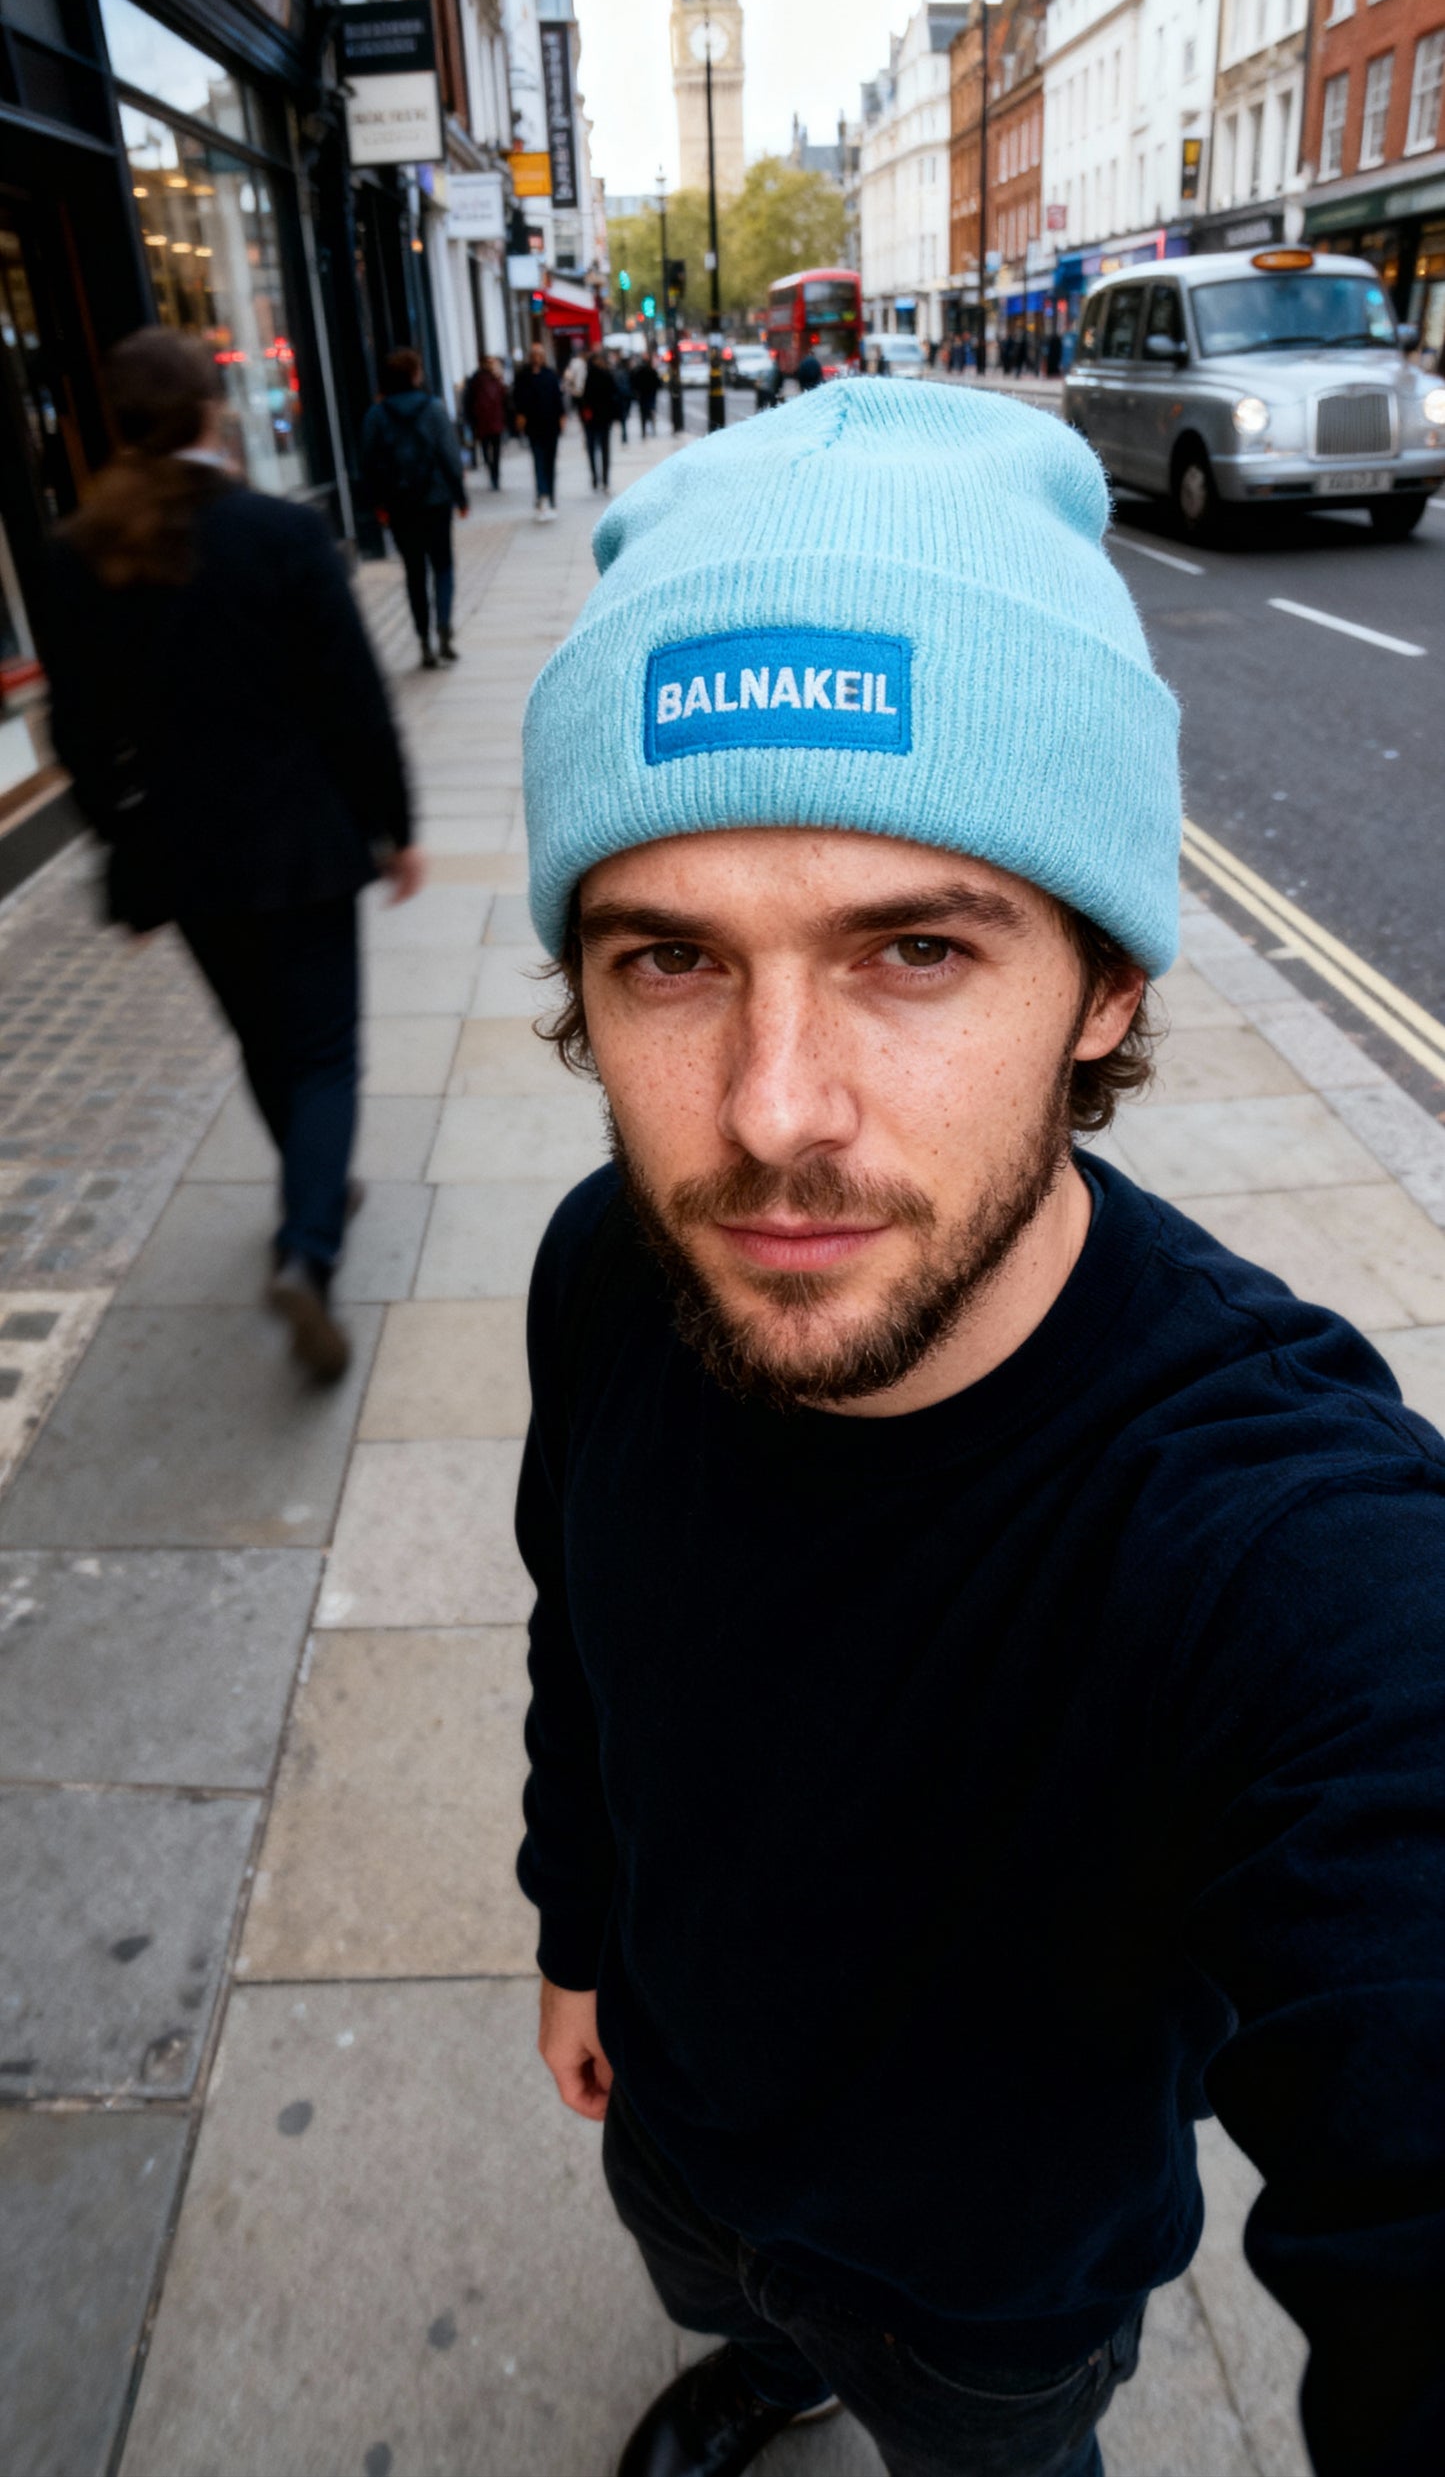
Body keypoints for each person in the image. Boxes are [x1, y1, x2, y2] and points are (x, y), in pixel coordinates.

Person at [515, 382, 1445, 2477]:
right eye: (668, 957)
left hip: (990, 2288)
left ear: (1101, 984)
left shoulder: (1274, 1534)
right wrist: (574, 1934)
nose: (770, 1115)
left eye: (911, 950)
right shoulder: (606, 1261)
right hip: (674, 2130)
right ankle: (765, 2357)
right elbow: (571, 1634)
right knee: (718, 2278)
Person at [45, 327, 421, 1382]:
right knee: (325, 1051)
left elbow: (77, 734)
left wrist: (124, 839)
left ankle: (311, 1186)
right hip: (301, 841)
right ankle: (308, 1246)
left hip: (183, 853)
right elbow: (352, 696)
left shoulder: (76, 553)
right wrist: (394, 825)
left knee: (262, 1038)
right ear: (214, 410)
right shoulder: (277, 533)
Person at [359, 348, 468, 669]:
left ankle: (423, 640)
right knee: (443, 566)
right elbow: (450, 456)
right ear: (414, 374)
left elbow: (367, 463)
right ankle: (443, 624)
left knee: (414, 572)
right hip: (435, 501)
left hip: (399, 505)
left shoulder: (376, 416)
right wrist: (460, 497)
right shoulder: (433, 409)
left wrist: (378, 505)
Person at [513, 340, 566, 522]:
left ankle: (550, 496)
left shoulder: (550, 375)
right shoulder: (523, 376)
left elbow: (558, 399)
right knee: (538, 461)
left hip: (550, 426)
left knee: (550, 463)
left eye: (539, 354)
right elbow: (518, 399)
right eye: (533, 354)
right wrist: (520, 417)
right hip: (534, 427)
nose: (536, 357)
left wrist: (562, 418)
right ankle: (542, 495)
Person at [465, 354, 508, 491]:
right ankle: (492, 473)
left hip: (494, 420)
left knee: (495, 450)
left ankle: (495, 476)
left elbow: (504, 399)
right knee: (486, 449)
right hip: (483, 421)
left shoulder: (496, 378)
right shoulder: (476, 379)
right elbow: (469, 401)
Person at [581, 347, 618, 492]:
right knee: (604, 448)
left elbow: (584, 399)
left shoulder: (590, 376)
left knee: (593, 449)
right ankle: (605, 479)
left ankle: (596, 478)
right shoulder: (606, 375)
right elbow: (614, 395)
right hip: (603, 418)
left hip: (593, 419)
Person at [632, 351, 660, 437]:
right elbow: (658, 383)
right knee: (651, 411)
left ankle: (644, 431)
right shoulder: (652, 371)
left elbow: (635, 382)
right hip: (649, 394)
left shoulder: (639, 371)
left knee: (644, 413)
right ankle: (652, 429)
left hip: (643, 395)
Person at [610, 352, 633, 443]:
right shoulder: (624, 373)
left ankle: (622, 437)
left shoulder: (614, 373)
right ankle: (624, 437)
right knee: (623, 420)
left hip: (618, 399)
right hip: (622, 399)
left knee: (619, 419)